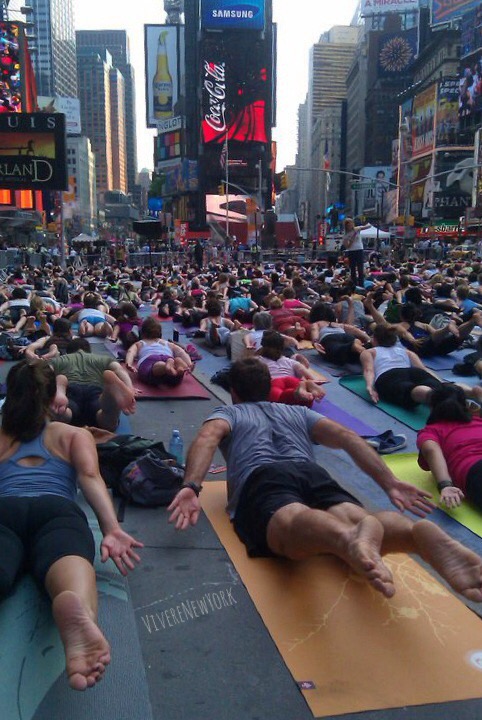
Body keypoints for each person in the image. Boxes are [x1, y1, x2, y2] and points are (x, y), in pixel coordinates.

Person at [168, 358, 482, 602]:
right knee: (354, 516)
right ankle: (413, 536)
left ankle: (347, 542)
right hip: (312, 472)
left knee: (292, 522)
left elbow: (208, 438)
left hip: (263, 476)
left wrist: (191, 485)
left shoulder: (228, 413)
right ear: (268, 387)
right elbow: (347, 437)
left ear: (234, 392)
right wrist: (389, 482)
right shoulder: (297, 413)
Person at [0, 359, 143, 690]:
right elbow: (90, 478)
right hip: (57, 511)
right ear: (53, 398)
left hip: (4, 510)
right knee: (67, 563)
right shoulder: (74, 434)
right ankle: (73, 602)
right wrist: (111, 529)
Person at [360, 324, 482, 408]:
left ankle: (440, 399)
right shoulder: (405, 351)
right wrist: (442, 382)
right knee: (441, 387)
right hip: (412, 372)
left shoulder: (370, 352)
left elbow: (368, 370)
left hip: (388, 376)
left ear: (375, 339)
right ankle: (471, 391)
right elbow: (423, 369)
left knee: (410, 391)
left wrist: (370, 387)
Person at [417, 384, 482, 510]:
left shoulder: (431, 431)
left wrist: (445, 485)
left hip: (474, 470)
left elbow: (431, 451)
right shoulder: (478, 421)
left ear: (432, 407)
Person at [50, 338, 137, 431]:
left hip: (70, 390)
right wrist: (129, 388)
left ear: (68, 351)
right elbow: (119, 370)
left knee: (62, 416)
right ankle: (109, 391)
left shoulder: (58, 360)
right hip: (96, 391)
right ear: (89, 350)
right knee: (108, 422)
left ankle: (60, 386)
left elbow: (44, 372)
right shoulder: (104, 359)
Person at [257, 331, 325, 406]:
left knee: (276, 399)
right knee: (306, 400)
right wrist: (312, 380)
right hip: (294, 382)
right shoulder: (289, 361)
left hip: (275, 382)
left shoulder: (259, 361)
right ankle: (305, 385)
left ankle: (300, 389)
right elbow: (304, 370)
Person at [125, 316, 192, 386]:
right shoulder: (167, 343)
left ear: (142, 333)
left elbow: (131, 352)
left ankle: (164, 366)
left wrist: (129, 363)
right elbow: (181, 352)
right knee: (174, 377)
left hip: (149, 359)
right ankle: (178, 365)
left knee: (151, 370)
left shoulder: (140, 343)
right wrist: (189, 364)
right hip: (168, 357)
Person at [342, 218, 371, 288]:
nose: (350, 226)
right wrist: (351, 240)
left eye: (351, 224)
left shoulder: (357, 229)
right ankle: (354, 284)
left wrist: (367, 224)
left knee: (360, 268)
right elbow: (347, 246)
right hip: (352, 251)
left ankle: (361, 284)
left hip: (359, 250)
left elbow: (368, 226)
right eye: (348, 225)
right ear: (346, 226)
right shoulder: (346, 235)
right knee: (353, 269)